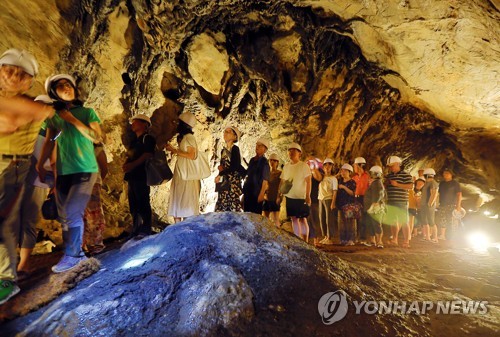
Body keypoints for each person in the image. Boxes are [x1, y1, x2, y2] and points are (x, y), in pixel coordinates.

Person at [0, 48, 56, 305]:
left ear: (29, 81)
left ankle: (6, 281)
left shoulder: (35, 106)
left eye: (20, 75)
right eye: (8, 71)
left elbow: (21, 117)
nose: (12, 77)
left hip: (13, 167)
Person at [38, 74, 102, 273]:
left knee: (72, 212)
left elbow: (98, 137)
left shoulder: (87, 112)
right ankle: (77, 254)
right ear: (53, 93)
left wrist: (72, 120)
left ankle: (73, 256)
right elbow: (50, 141)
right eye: (60, 86)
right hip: (64, 172)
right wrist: (41, 165)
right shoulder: (54, 118)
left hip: (85, 169)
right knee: (65, 215)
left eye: (68, 84)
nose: (66, 87)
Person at [3, 95, 55, 282]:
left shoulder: (54, 131)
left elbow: (55, 157)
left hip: (38, 180)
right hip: (18, 179)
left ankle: (23, 264)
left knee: (29, 220)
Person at [123, 114, 155, 235]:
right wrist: (127, 164)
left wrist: (133, 164)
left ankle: (146, 228)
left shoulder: (148, 139)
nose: (132, 124)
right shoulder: (135, 141)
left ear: (144, 124)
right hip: (132, 175)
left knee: (143, 201)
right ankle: (136, 228)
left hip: (142, 175)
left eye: (135, 122)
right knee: (133, 203)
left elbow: (148, 154)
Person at [166, 111, 200, 222]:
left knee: (184, 200)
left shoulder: (189, 138)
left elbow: (191, 155)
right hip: (181, 173)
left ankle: (183, 228)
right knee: (179, 198)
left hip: (185, 175)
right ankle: (177, 227)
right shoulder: (186, 138)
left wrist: (174, 150)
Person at [278, 143, 311, 241]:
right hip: (290, 197)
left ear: (299, 153)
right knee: (294, 218)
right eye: (289, 150)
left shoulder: (304, 166)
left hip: (301, 197)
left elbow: (308, 181)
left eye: (294, 150)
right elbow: (282, 181)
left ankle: (305, 240)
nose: (291, 152)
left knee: (302, 219)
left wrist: (308, 196)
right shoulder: (286, 166)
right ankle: (297, 239)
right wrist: (279, 194)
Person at [83, 143, 108, 254]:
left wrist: (97, 182)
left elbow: (104, 168)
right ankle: (85, 244)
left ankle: (96, 243)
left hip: (92, 183)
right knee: (82, 215)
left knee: (94, 214)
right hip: (78, 184)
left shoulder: (96, 147)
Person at [384, 156, 413, 247]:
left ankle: (406, 242)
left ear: (397, 164)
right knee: (393, 221)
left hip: (402, 201)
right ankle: (395, 239)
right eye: (389, 166)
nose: (390, 168)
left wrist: (397, 184)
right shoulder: (389, 176)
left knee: (404, 221)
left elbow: (410, 186)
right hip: (391, 201)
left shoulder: (406, 175)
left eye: (392, 165)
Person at [215, 126, 244, 212]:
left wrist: (221, 174)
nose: (225, 133)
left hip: (232, 182)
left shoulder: (235, 149)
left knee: (232, 203)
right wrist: (219, 174)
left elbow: (235, 166)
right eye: (225, 131)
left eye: (228, 132)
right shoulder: (223, 151)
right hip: (225, 180)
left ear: (235, 136)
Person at [243, 138, 270, 214]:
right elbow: (247, 175)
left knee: (255, 217)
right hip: (248, 192)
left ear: (265, 150)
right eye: (257, 145)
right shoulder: (252, 160)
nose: (257, 147)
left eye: (260, 146)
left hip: (256, 194)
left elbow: (265, 180)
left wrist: (261, 194)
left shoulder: (264, 162)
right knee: (247, 215)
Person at [436, 168, 462, 240]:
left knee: (451, 220)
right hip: (442, 204)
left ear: (451, 175)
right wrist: (437, 203)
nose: (445, 175)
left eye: (447, 173)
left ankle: (452, 236)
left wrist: (458, 205)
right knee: (442, 219)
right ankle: (442, 235)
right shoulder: (442, 183)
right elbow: (439, 194)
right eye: (444, 173)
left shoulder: (455, 183)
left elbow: (459, 194)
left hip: (452, 205)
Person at [364, 166, 386, 248]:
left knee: (376, 224)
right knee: (371, 224)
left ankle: (379, 241)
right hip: (372, 206)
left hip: (375, 207)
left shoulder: (377, 182)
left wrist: (374, 204)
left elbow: (379, 194)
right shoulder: (375, 182)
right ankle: (373, 241)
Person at [318, 158, 337, 245]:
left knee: (329, 219)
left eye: (330, 165)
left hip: (329, 199)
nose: (327, 167)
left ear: (332, 167)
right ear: (323, 167)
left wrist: (333, 202)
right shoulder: (321, 177)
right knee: (322, 218)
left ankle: (329, 237)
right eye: (326, 165)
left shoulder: (333, 179)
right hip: (321, 199)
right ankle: (325, 236)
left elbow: (335, 191)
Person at [337, 164, 357, 246]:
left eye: (345, 170)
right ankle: (343, 239)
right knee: (342, 222)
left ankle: (351, 239)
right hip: (340, 204)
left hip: (349, 205)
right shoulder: (339, 181)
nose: (343, 172)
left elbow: (352, 193)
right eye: (342, 170)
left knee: (350, 222)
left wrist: (344, 187)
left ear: (349, 172)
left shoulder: (352, 182)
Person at [353, 157, 369, 244]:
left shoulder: (367, 176)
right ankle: (356, 236)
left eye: (355, 165)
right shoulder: (354, 177)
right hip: (355, 198)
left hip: (364, 198)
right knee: (356, 217)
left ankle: (363, 238)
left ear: (360, 166)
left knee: (363, 217)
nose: (354, 167)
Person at [263, 153, 282, 227]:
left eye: (274, 160)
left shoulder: (280, 173)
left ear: (277, 162)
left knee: (276, 219)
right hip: (267, 197)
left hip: (275, 198)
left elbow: (281, 186)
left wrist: (279, 197)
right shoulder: (267, 173)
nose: (272, 162)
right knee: (265, 219)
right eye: (271, 160)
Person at [421, 168, 439, 243]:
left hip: (429, 205)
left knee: (431, 221)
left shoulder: (433, 183)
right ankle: (427, 237)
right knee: (424, 221)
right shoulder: (426, 183)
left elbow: (434, 194)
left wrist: (430, 204)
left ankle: (435, 238)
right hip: (424, 204)